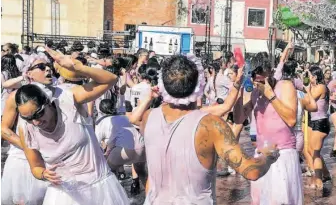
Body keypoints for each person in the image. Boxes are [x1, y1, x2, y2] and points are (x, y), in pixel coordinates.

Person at [140, 54, 279, 204]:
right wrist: (268, 156)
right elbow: (251, 171)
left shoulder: (148, 118)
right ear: (200, 84)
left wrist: (237, 85)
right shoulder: (211, 125)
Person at [17, 48, 129, 205]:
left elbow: (110, 79)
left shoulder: (68, 99)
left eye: (38, 114)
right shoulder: (26, 128)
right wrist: (43, 173)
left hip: (99, 189)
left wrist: (78, 67)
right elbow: (35, 166)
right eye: (28, 118)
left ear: (49, 103)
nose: (35, 122)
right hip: (63, 195)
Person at [241, 52, 302, 204]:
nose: (257, 81)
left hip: (282, 155)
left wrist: (271, 95)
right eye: (255, 77)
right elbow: (239, 117)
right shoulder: (255, 92)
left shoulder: (285, 86)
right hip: (261, 156)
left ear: (269, 71)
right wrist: (236, 91)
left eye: (260, 76)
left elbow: (291, 119)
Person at [2, 57, 51, 205]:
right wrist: (28, 147)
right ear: (29, 72)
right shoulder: (16, 96)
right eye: (41, 67)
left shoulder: (59, 93)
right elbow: (3, 128)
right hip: (22, 160)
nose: (48, 69)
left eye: (49, 66)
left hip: (51, 158)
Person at [95, 99, 145, 173]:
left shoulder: (100, 123)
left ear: (100, 110)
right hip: (142, 146)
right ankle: (134, 181)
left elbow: (96, 144)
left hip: (127, 150)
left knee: (107, 170)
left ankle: (118, 179)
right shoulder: (123, 117)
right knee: (141, 174)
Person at [305, 65, 331, 190]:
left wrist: (307, 89)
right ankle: (325, 174)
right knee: (312, 150)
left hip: (321, 122)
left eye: (309, 75)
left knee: (315, 152)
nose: (307, 78)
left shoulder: (321, 87)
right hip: (315, 121)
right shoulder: (315, 86)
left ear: (314, 77)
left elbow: (309, 100)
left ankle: (318, 181)